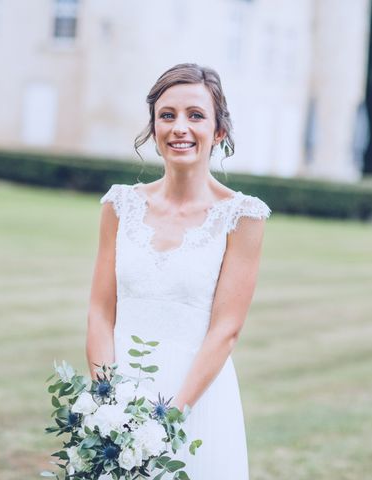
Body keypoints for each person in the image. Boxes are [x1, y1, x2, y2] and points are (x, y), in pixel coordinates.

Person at [86, 63, 271, 479]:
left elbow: (226, 330)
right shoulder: (119, 206)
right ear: (153, 128)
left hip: (197, 399)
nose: (179, 127)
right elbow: (100, 312)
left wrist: (168, 416)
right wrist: (107, 402)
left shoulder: (242, 217)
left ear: (219, 131)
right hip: (121, 389)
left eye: (195, 115)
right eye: (167, 115)